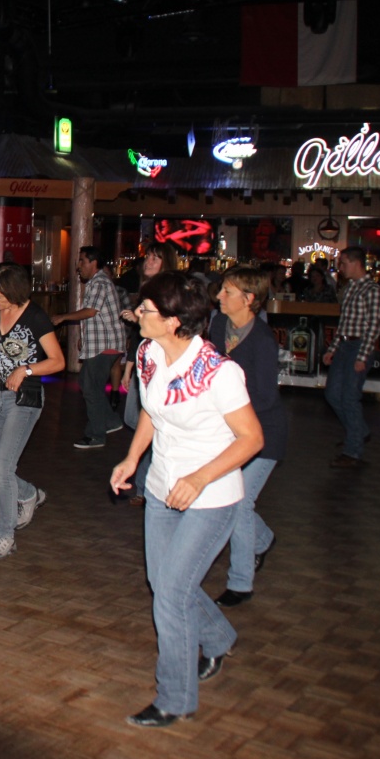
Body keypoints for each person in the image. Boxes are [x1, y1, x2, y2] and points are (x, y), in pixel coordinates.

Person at [109, 272, 264, 728]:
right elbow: (152, 415)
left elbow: (251, 438)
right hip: (161, 489)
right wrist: (132, 459)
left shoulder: (219, 372)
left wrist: (199, 477)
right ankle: (218, 638)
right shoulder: (147, 354)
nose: (138, 314)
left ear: (175, 320)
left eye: (146, 310)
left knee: (172, 594)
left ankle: (174, 698)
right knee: (165, 583)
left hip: (211, 496)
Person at [0, 264, 67, 560]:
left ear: (14, 294)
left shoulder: (35, 317)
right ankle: (28, 494)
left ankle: (4, 536)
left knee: (2, 467)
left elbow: (58, 361)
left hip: (24, 399)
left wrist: (25, 369)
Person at [209, 267, 287, 608]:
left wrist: (227, 404)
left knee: (239, 502)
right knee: (228, 495)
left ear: (249, 298)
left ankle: (241, 582)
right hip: (230, 429)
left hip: (263, 434)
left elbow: (265, 398)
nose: (219, 296)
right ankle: (263, 538)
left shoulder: (262, 341)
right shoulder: (216, 326)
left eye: (227, 291)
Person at [119, 241, 179, 506]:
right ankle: (149, 479)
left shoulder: (172, 291)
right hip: (145, 361)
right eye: (148, 258)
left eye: (156, 258)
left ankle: (147, 485)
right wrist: (129, 369)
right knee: (135, 418)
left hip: (165, 363)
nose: (149, 262)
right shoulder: (146, 290)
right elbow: (138, 339)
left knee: (152, 421)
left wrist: (139, 318)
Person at [53, 246, 127, 450]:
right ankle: (110, 421)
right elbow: (97, 315)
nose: (78, 266)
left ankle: (96, 435)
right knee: (88, 384)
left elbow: (91, 311)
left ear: (94, 263)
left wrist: (64, 317)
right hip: (103, 343)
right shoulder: (98, 282)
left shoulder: (100, 282)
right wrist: (84, 338)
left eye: (82, 261)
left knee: (91, 388)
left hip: (106, 344)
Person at [323, 247, 380, 469]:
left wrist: (363, 355)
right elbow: (344, 324)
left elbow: (373, 327)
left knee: (349, 397)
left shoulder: (373, 291)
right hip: (345, 344)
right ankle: (358, 431)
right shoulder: (350, 288)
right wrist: (333, 348)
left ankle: (353, 450)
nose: (340, 268)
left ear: (356, 263)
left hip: (359, 346)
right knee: (332, 394)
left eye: (343, 263)